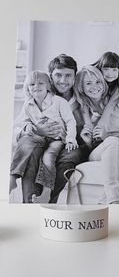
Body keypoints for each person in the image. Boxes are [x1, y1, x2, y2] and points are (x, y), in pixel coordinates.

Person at [20, 54, 89, 203]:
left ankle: (49, 200)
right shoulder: (39, 95)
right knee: (32, 152)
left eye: (68, 75)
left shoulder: (81, 100)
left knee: (69, 156)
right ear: (50, 77)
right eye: (58, 75)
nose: (63, 81)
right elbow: (21, 123)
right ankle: (29, 202)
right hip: (43, 140)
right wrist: (37, 130)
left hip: (70, 143)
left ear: (74, 77)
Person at [10, 70, 78, 203]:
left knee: (48, 157)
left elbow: (70, 121)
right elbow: (20, 122)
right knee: (26, 143)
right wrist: (27, 126)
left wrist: (71, 138)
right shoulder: (28, 104)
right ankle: (13, 178)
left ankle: (47, 192)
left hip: (56, 139)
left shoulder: (58, 101)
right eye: (32, 84)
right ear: (27, 88)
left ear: (48, 85)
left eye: (41, 83)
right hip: (38, 138)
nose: (36, 86)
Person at [74, 65, 119, 204]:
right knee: (111, 141)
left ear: (103, 82)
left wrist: (108, 133)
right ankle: (114, 199)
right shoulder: (80, 109)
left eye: (97, 82)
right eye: (88, 83)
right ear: (81, 87)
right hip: (99, 150)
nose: (94, 87)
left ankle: (112, 197)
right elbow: (84, 149)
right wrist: (87, 141)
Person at [79, 52, 119, 145]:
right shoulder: (92, 75)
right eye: (106, 69)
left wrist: (100, 126)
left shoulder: (116, 89)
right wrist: (89, 126)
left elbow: (110, 106)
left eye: (114, 69)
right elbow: (84, 107)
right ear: (100, 68)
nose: (110, 73)